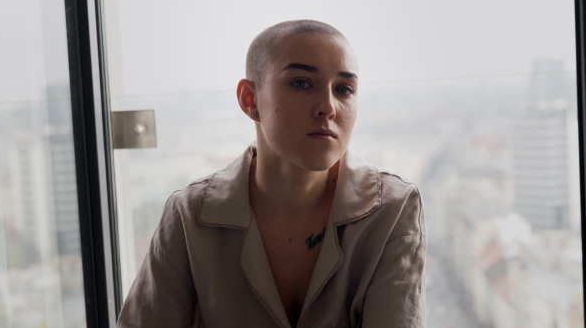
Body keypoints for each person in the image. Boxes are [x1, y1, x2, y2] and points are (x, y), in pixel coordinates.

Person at [117, 19, 426, 328]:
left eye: (344, 89)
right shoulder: (188, 216)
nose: (328, 107)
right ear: (250, 100)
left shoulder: (392, 210)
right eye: (302, 83)